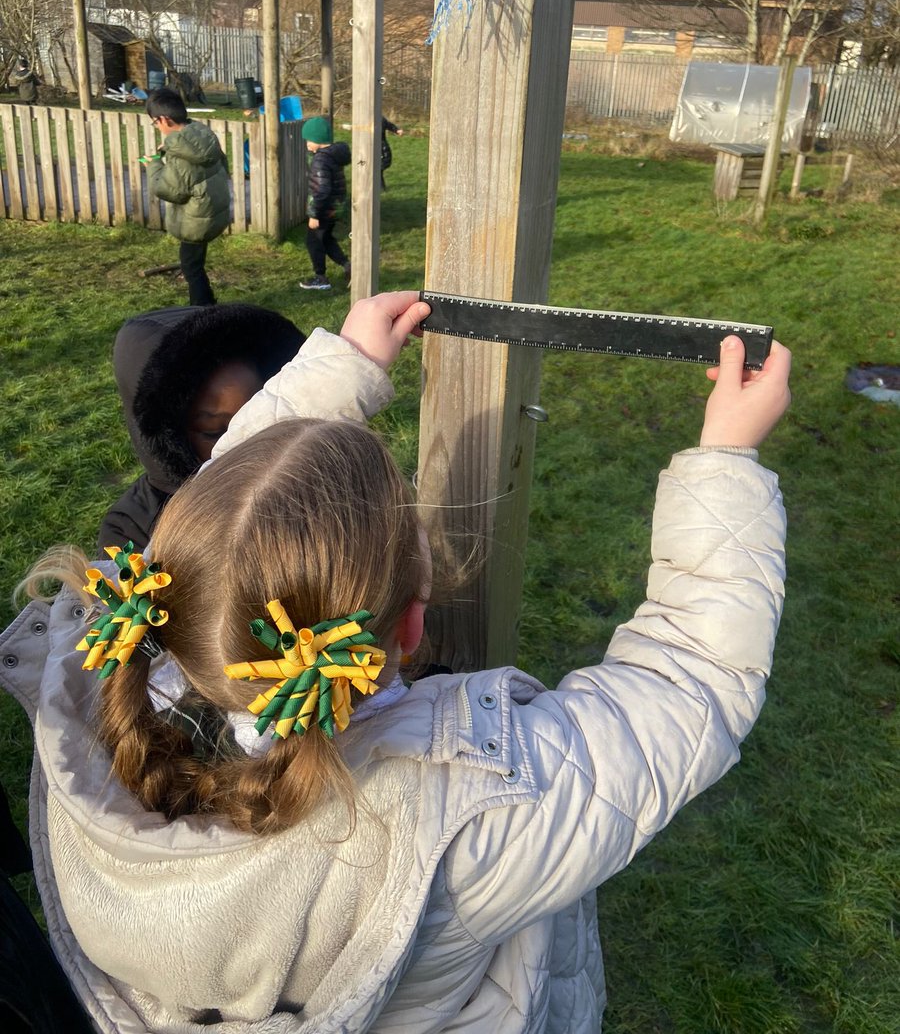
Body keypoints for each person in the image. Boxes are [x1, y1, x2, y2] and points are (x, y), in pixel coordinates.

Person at [1, 296, 791, 1032]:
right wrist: (726, 457)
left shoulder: (110, 694)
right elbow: (689, 677)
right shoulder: (468, 819)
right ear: (414, 622)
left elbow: (230, 509)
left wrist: (339, 367)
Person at [99, 303, 305, 553]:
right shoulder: (133, 530)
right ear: (170, 440)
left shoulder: (304, 483)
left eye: (259, 415)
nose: (249, 441)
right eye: (214, 431)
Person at [141, 88, 231, 306]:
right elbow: (220, 166)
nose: (157, 127)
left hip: (194, 222)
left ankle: (202, 311)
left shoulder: (181, 156)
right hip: (212, 213)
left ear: (164, 119)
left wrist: (152, 164)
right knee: (195, 262)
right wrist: (169, 152)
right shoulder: (203, 135)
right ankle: (206, 305)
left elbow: (169, 190)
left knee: (191, 268)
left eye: (155, 123)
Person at [299, 114, 351, 291]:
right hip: (334, 207)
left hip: (323, 209)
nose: (307, 145)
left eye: (308, 141)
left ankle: (320, 278)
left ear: (318, 140)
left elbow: (321, 190)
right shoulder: (332, 155)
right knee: (327, 239)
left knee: (313, 241)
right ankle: (348, 266)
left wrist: (314, 214)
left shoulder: (321, 159)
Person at [380, 116, 404, 190]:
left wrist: (397, 130)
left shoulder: (379, 119)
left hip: (381, 147)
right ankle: (380, 187)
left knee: (378, 168)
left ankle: (380, 188)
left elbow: (388, 125)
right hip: (368, 147)